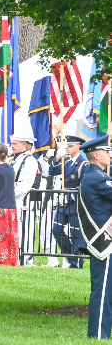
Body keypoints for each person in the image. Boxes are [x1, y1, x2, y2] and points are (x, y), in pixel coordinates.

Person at [76, 135, 112, 339]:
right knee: (104, 291)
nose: (110, 155)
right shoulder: (98, 178)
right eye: (107, 152)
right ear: (96, 155)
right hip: (104, 242)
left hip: (103, 241)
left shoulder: (92, 175)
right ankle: (98, 335)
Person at [51, 134, 89, 268]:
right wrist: (57, 157)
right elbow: (51, 171)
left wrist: (69, 196)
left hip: (75, 202)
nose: (67, 148)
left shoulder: (83, 164)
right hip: (64, 201)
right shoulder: (66, 162)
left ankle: (76, 262)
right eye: (66, 146)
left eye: (70, 146)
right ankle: (72, 257)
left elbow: (83, 185)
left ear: (79, 146)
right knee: (56, 230)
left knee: (75, 233)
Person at [9, 132, 42, 264]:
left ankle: (26, 258)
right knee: (15, 229)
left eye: (15, 144)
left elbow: (25, 185)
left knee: (25, 230)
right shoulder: (13, 158)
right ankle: (16, 255)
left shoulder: (29, 161)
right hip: (13, 199)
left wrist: (9, 193)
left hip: (22, 200)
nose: (12, 146)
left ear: (24, 145)